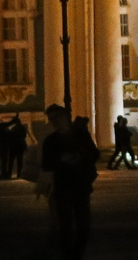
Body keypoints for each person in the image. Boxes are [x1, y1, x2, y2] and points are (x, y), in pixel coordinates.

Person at [39, 106, 97, 260]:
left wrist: (80, 156)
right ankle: (68, 256)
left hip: (81, 186)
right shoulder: (51, 141)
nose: (54, 121)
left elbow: (95, 154)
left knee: (83, 225)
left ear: (65, 116)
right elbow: (46, 164)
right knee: (65, 227)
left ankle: (77, 254)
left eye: (56, 117)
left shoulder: (81, 135)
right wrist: (60, 159)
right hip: (62, 188)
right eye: (51, 119)